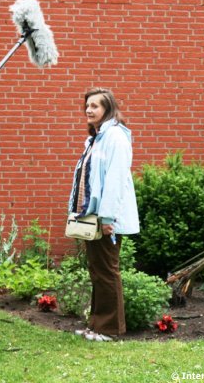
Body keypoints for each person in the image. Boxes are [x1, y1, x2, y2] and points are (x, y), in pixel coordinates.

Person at [69, 88, 139, 342]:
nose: (89, 109)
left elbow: (115, 179)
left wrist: (108, 218)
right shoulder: (97, 138)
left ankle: (110, 328)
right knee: (97, 270)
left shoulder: (116, 137)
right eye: (87, 105)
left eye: (95, 106)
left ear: (108, 109)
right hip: (93, 215)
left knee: (107, 270)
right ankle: (97, 324)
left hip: (105, 218)